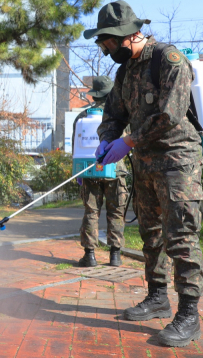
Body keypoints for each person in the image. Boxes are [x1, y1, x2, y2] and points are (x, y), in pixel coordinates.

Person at [84, 0, 203, 348]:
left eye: (109, 43)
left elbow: (170, 114)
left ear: (130, 35)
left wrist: (130, 141)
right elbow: (113, 115)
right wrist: (107, 141)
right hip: (144, 163)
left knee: (180, 236)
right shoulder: (124, 73)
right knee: (151, 234)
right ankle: (157, 296)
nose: (107, 51)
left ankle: (189, 314)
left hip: (177, 161)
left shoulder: (168, 60)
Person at [72, 76, 128, 268]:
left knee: (91, 212)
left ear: (94, 95)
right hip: (116, 169)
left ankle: (90, 255)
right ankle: (115, 255)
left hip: (89, 170)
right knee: (116, 212)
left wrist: (79, 174)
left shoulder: (82, 117)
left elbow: (75, 147)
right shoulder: (121, 115)